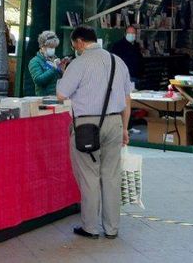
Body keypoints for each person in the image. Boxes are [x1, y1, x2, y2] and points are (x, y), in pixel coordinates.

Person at [57, 26, 132, 240]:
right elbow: (127, 99)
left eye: (74, 45)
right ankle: (112, 228)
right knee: (111, 176)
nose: (75, 49)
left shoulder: (78, 63)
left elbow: (62, 95)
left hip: (86, 126)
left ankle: (90, 227)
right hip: (115, 122)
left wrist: (64, 73)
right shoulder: (118, 61)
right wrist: (125, 127)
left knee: (89, 175)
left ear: (80, 42)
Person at [29, 31, 66, 96]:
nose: (53, 49)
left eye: (54, 47)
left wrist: (63, 70)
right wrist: (54, 68)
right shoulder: (35, 61)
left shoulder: (55, 59)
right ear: (42, 46)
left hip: (58, 96)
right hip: (44, 98)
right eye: (50, 47)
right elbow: (39, 80)